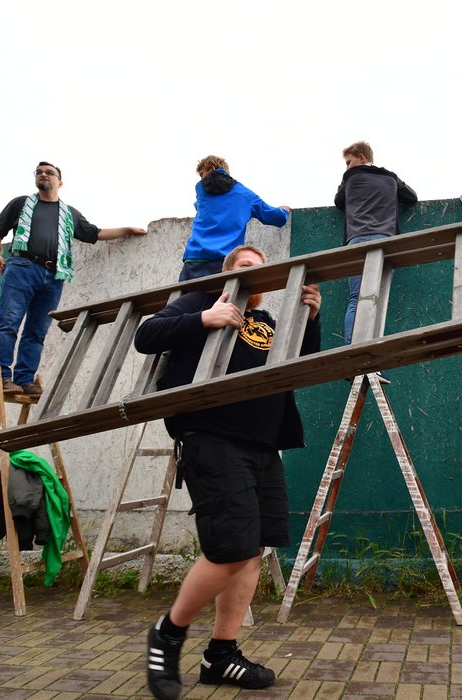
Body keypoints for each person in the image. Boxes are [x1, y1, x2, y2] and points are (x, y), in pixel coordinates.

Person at [135, 244, 322, 699]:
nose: (253, 273)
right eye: (244, 266)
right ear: (227, 273)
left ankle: (220, 656)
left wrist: (311, 321)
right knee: (230, 547)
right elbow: (147, 334)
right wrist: (204, 319)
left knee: (253, 549)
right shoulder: (202, 299)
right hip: (211, 434)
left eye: (261, 268)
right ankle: (169, 632)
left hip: (263, 441)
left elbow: (297, 366)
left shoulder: (267, 322)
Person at [0, 161, 147, 396]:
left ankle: (25, 378)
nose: (43, 175)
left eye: (49, 173)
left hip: (53, 275)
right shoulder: (21, 204)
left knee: (37, 330)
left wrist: (127, 230)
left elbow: (95, 233)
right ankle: (1, 376)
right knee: (9, 320)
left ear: (59, 182)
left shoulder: (69, 214)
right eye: (39, 172)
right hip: (22, 266)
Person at [334, 141, 416, 362]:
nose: (347, 167)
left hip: (357, 240)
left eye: (349, 162)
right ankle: (373, 352)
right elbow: (412, 198)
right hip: (384, 241)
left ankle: (352, 351)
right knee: (377, 298)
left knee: (355, 298)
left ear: (361, 157)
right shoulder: (390, 177)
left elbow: (338, 202)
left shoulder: (349, 179)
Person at [180, 156, 290, 282]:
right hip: (223, 262)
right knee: (222, 301)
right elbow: (276, 218)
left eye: (202, 174)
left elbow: (200, 207)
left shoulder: (201, 193)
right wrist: (283, 210)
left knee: (183, 301)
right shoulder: (245, 194)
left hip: (193, 260)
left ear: (211, 168)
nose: (202, 180)